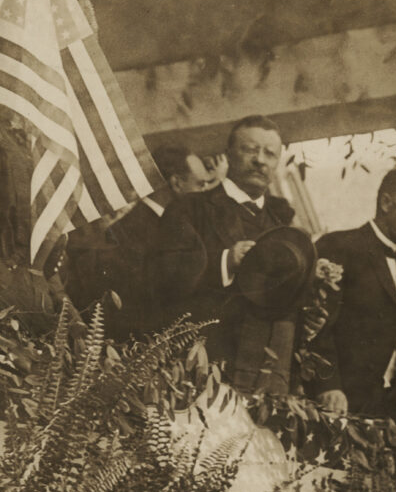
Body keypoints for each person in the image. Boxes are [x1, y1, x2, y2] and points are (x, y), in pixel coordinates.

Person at [153, 115, 296, 372]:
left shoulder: (284, 222)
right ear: (228, 154)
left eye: (270, 154)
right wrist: (225, 261)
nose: (260, 160)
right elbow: (163, 278)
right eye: (250, 149)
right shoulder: (188, 208)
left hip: (269, 369)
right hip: (204, 367)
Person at [306, 167, 396, 418]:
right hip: (335, 407)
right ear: (386, 203)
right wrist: (327, 385)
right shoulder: (339, 246)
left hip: (386, 411)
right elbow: (314, 325)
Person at [61, 144, 212, 339]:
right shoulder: (136, 228)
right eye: (200, 184)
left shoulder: (163, 224)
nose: (206, 191)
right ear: (177, 183)